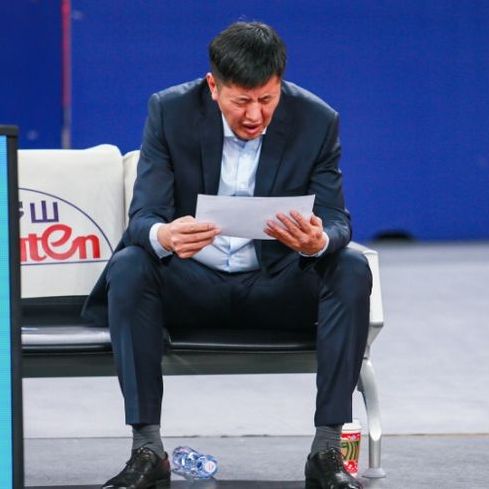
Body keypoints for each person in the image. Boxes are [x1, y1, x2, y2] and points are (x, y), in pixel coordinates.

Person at [83, 21, 372, 489]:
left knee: (351, 267)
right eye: (242, 101)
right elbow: (142, 218)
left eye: (267, 99)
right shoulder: (170, 111)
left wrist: (318, 241)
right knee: (130, 264)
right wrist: (165, 235)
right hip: (192, 285)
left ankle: (326, 451)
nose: (255, 114)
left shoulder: (317, 119)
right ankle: (147, 449)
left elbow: (338, 220)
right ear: (213, 86)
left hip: (276, 285)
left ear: (280, 85)